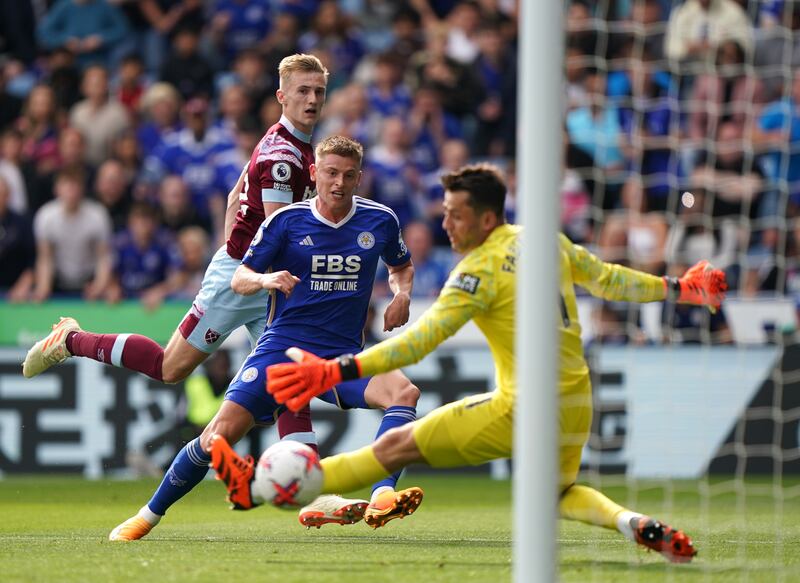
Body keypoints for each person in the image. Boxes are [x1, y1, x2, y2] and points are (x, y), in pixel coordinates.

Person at [213, 163, 728, 563]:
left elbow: (414, 345)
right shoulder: (547, 241)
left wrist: (335, 371)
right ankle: (632, 524)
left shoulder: (475, 272)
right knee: (559, 493)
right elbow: (611, 280)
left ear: (485, 218)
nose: (445, 223)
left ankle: (270, 486)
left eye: (455, 214)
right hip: (576, 404)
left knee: (392, 446)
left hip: (520, 408)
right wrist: (682, 287)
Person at [20, 53, 341, 538]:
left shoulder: (292, 146)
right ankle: (72, 339)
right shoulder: (282, 156)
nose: (312, 99)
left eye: (318, 91)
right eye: (303, 91)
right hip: (248, 277)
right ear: (281, 96)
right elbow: (284, 234)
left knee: (290, 378)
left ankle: (315, 491)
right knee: (171, 368)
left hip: (269, 279)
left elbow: (236, 198)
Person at [210, 134, 423, 529]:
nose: (339, 183)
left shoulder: (380, 219)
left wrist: (402, 295)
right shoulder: (285, 222)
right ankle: (150, 514)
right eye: (330, 173)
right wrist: (267, 279)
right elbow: (241, 276)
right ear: (314, 173)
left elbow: (400, 265)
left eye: (348, 175)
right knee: (215, 437)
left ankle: (382, 495)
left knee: (405, 393)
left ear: (359, 178)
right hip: (284, 350)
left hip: (341, 355)